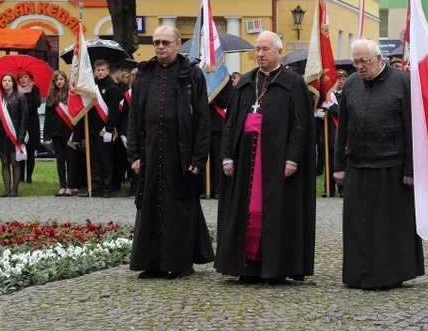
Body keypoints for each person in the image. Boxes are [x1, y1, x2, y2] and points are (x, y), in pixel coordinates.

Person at [216, 30, 316, 283]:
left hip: (276, 159)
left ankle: (275, 268)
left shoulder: (293, 83)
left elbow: (299, 126)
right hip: (246, 158)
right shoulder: (247, 82)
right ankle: (246, 267)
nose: (260, 54)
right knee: (243, 210)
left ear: (278, 52)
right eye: (257, 50)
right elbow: (230, 124)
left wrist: (292, 159)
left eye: (265, 49)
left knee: (276, 213)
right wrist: (227, 156)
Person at [333, 39, 424, 290]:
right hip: (357, 165)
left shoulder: (401, 82)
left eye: (364, 61)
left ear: (378, 59)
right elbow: (343, 129)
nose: (359, 67)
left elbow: (411, 129)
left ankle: (390, 274)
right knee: (356, 224)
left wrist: (410, 169)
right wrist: (339, 164)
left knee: (388, 226)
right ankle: (357, 274)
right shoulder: (351, 84)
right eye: (355, 62)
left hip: (391, 167)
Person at [127, 24, 214, 279]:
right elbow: (134, 117)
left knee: (179, 207)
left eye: (165, 42)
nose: (160, 47)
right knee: (150, 205)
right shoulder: (145, 73)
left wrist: (199, 156)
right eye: (156, 42)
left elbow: (202, 117)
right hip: (151, 147)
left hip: (181, 150)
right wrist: (134, 154)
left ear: (177, 44)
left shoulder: (192, 74)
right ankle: (151, 262)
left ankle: (180, 262)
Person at [80, 59, 121, 197]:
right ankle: (95, 187)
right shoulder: (92, 88)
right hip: (92, 129)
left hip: (105, 130)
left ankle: (107, 188)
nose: (100, 72)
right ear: (94, 71)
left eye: (103, 70)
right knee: (95, 160)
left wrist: (109, 129)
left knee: (106, 160)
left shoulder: (113, 88)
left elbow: (114, 111)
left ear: (108, 71)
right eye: (98, 70)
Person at [0, 73, 28, 197]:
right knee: (4, 162)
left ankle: (15, 189)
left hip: (15, 135)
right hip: (1, 136)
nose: (6, 83)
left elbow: (24, 118)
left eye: (9, 81)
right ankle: (7, 189)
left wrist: (21, 136)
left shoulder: (20, 97)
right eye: (4, 81)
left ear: (13, 83)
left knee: (14, 161)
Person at [44, 71, 76, 196]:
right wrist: (47, 134)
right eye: (56, 79)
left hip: (69, 131)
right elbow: (48, 117)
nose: (59, 81)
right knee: (60, 159)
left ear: (65, 80)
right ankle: (62, 185)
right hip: (56, 132)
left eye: (61, 79)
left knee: (70, 159)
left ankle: (70, 186)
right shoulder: (51, 96)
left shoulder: (71, 96)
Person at [323, 69, 347, 197]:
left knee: (341, 163)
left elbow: (341, 112)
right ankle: (329, 189)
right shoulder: (329, 95)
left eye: (344, 79)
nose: (341, 81)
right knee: (330, 163)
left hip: (341, 134)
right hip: (329, 134)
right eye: (339, 79)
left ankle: (342, 189)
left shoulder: (347, 94)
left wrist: (331, 106)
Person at [17, 70, 40, 184]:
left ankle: (29, 177)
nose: (23, 79)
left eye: (25, 77)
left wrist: (24, 109)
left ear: (30, 79)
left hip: (32, 124)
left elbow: (37, 103)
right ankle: (20, 177)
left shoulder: (35, 89)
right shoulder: (15, 91)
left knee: (31, 151)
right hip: (20, 124)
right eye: (21, 77)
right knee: (21, 150)